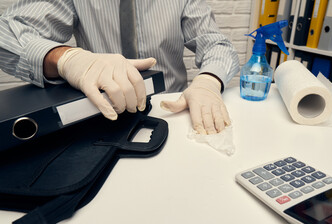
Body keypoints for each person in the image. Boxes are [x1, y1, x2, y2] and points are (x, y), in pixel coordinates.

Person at [0, 0, 240, 134]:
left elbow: (216, 43)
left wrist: (208, 80)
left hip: (174, 112)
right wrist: (66, 59)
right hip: (102, 116)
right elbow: (6, 33)